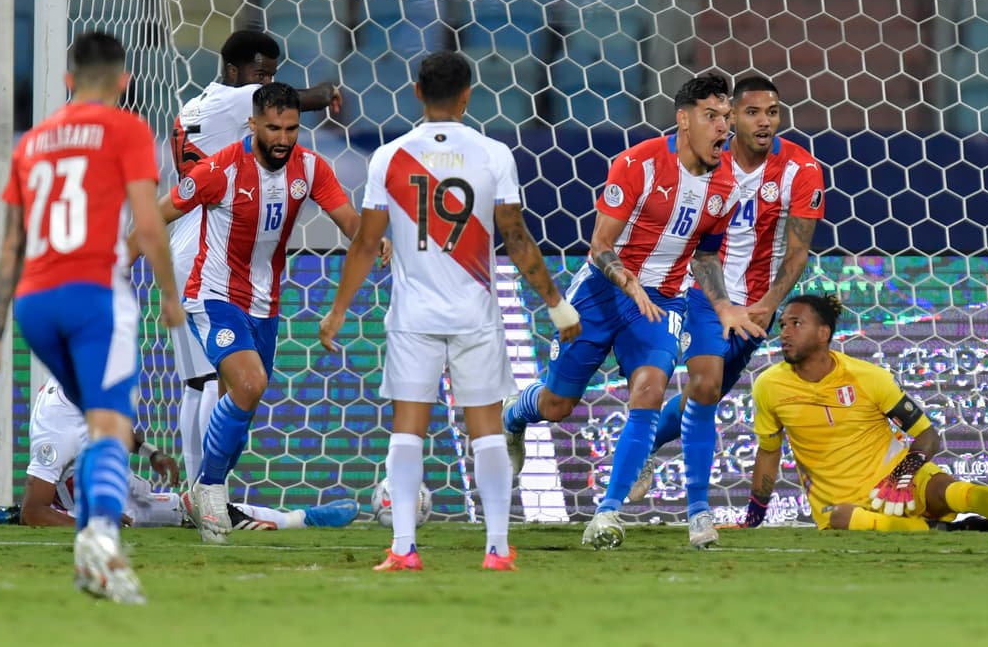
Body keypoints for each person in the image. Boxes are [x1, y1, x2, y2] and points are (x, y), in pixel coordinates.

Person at [318, 51, 580, 572]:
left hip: (413, 317)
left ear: (417, 92)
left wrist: (338, 310)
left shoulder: (389, 157)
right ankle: (498, 549)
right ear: (467, 95)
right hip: (474, 314)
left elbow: (367, 242)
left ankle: (403, 548)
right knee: (486, 430)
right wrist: (556, 304)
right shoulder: (493, 154)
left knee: (407, 430)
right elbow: (515, 237)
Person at [502, 73, 763, 550]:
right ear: (683, 120)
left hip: (661, 303)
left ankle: (607, 512)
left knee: (650, 388)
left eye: (726, 117)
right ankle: (514, 415)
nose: (722, 128)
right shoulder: (638, 164)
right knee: (558, 404)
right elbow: (600, 245)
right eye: (711, 116)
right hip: (601, 293)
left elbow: (706, 256)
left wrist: (723, 304)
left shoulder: (727, 184)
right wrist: (628, 282)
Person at [0, 31, 182, 604]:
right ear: (124, 82)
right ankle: (101, 547)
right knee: (109, 424)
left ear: (67, 81)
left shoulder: (32, 142)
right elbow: (147, 223)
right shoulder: (127, 129)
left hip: (35, 304)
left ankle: (94, 545)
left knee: (93, 419)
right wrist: (168, 294)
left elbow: (10, 243)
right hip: (94, 298)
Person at [625, 75, 824, 548]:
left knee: (703, 394)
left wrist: (768, 305)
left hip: (756, 308)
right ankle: (699, 513)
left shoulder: (801, 169)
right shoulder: (709, 159)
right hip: (702, 291)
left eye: (772, 112)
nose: (764, 121)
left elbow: (798, 252)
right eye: (752, 112)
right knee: (706, 383)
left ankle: (643, 446)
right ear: (732, 117)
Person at [158, 81, 360, 544]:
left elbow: (351, 223)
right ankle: (210, 490)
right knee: (249, 384)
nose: (283, 139)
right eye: (273, 128)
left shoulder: (310, 167)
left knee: (242, 410)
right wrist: (119, 269)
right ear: (252, 124)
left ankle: (199, 492)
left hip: (265, 303)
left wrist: (379, 241)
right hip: (212, 294)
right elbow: (159, 214)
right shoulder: (220, 168)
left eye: (291, 128)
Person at [168, 30, 343, 485]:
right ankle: (206, 491)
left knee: (198, 382)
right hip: (210, 243)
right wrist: (329, 91)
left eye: (271, 75)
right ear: (233, 71)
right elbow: (301, 99)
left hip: (184, 241)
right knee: (216, 382)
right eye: (260, 74)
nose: (266, 84)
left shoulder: (192, 107)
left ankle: (197, 489)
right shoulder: (239, 100)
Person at [737, 295, 988, 532]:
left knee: (950, 490)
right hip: (845, 506)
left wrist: (902, 475)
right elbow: (768, 452)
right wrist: (753, 516)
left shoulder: (867, 377)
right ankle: (950, 530)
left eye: (796, 324)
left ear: (823, 333)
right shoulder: (769, 385)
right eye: (782, 325)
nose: (785, 333)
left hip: (900, 478)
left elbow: (927, 435)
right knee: (840, 518)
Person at [22, 377, 359, 531]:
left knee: (196, 507)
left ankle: (301, 518)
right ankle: (302, 519)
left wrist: (150, 452)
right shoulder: (56, 429)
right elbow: (32, 511)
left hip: (121, 487)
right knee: (199, 510)